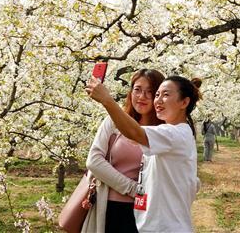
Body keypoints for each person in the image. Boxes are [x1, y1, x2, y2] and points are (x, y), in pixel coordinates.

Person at [88, 75, 202, 233]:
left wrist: (107, 100)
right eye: (157, 95)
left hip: (166, 227)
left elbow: (134, 132)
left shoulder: (174, 134)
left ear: (184, 102)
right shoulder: (173, 134)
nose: (158, 100)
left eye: (166, 94)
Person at [83, 68, 165, 233]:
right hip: (110, 207)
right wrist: (134, 189)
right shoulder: (113, 122)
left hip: (149, 211)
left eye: (150, 92)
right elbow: (94, 161)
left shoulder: (163, 131)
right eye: (137, 90)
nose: (142, 97)